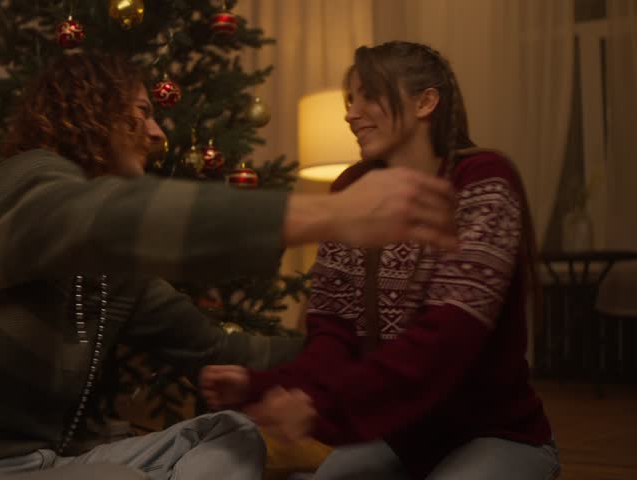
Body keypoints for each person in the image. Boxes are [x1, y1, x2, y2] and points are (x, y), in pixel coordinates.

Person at [0, 51, 458, 480]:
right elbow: (105, 217)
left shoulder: (112, 271)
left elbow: (215, 348)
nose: (156, 132)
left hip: (58, 460)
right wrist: (328, 217)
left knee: (233, 433)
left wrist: (363, 352)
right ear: (91, 113)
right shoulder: (23, 189)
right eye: (142, 112)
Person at [201, 41, 560, 480]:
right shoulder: (352, 190)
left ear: (426, 101)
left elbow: (445, 340)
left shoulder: (483, 180)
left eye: (369, 95)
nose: (351, 113)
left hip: (495, 435)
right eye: (350, 100)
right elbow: (333, 336)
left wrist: (319, 408)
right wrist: (264, 386)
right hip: (400, 437)